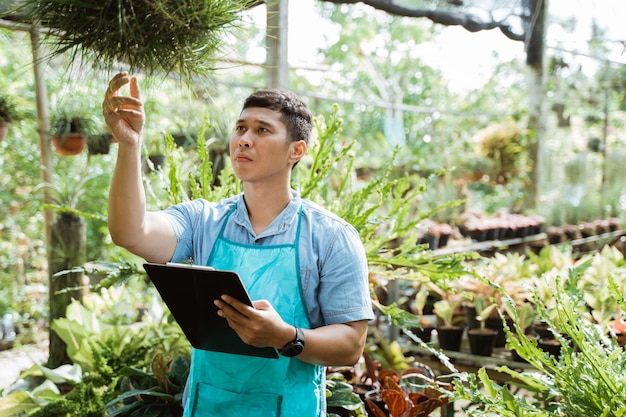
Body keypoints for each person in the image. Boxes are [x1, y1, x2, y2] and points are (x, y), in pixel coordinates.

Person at [102, 72, 374, 417]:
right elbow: (132, 232)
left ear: (297, 150)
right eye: (240, 128)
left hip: (287, 409)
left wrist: (285, 336)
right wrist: (130, 145)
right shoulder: (204, 220)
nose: (244, 139)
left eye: (262, 130)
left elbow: (351, 345)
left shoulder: (331, 236)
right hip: (208, 407)